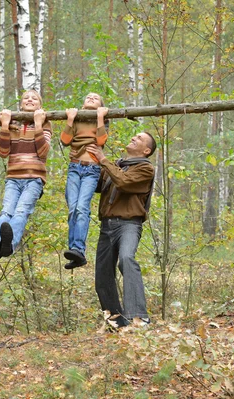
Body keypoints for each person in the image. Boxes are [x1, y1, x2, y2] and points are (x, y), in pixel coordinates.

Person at [85, 131, 157, 329]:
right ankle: (116, 321)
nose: (134, 137)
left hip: (129, 225)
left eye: (140, 138)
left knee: (126, 259)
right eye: (134, 135)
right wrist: (86, 163)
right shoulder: (116, 165)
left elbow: (123, 182)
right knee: (102, 272)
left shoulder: (145, 169)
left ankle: (139, 317)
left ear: (146, 150)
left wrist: (103, 159)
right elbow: (98, 186)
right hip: (107, 225)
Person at [0, 90, 52, 259]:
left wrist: (37, 124)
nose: (29, 99)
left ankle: (9, 245)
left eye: (34, 98)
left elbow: (43, 152)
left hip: (34, 178)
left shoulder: (45, 122)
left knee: (21, 211)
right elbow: (2, 152)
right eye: (26, 98)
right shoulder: (12, 122)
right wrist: (5, 126)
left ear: (40, 105)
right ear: (21, 104)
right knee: (6, 212)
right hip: (13, 177)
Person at [60, 93, 109, 269]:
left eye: (96, 98)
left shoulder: (100, 119)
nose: (90, 98)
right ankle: (74, 250)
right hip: (74, 168)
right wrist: (70, 120)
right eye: (88, 97)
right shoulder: (77, 118)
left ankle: (78, 248)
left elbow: (101, 140)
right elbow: (65, 140)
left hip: (91, 169)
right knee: (73, 208)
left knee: (82, 207)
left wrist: (101, 118)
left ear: (101, 106)